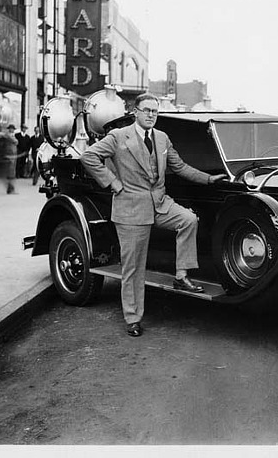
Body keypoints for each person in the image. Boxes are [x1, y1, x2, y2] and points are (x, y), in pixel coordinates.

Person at [80, 93, 227, 337]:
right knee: (133, 268)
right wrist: (113, 183)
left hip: (159, 203)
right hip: (130, 209)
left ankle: (181, 276)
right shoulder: (118, 136)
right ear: (135, 112)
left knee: (189, 220)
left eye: (155, 112)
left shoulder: (162, 138)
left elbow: (180, 167)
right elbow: (89, 157)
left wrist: (210, 179)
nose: (151, 115)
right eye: (146, 110)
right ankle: (133, 318)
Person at [2, 124, 19, 194]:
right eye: (11, 129)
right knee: (10, 173)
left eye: (13, 129)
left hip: (13, 156)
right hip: (10, 156)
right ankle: (10, 189)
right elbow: (16, 141)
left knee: (12, 173)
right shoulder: (8, 135)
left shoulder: (11, 135)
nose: (12, 130)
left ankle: (11, 189)